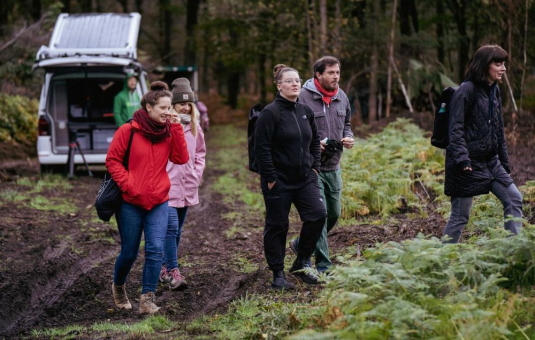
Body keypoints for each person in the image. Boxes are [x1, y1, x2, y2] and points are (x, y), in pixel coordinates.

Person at [106, 81, 189, 314]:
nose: (168, 111)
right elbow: (112, 160)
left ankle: (147, 299)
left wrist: (176, 129)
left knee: (155, 250)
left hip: (159, 200)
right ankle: (119, 286)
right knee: (130, 252)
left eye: (169, 107)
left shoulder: (168, 131)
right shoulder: (128, 130)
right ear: (149, 107)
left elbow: (181, 159)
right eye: (163, 107)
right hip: (130, 203)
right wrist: (128, 184)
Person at [254, 65, 327, 290]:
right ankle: (277, 274)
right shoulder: (270, 113)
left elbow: (315, 142)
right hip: (279, 180)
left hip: (305, 177)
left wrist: (315, 168)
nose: (295, 84)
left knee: (318, 215)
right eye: (289, 81)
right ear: (279, 86)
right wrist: (271, 177)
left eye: (297, 80)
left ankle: (301, 261)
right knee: (278, 225)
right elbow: (262, 148)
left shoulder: (305, 111)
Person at [443, 44, 523, 243]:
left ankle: (514, 253)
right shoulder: (466, 91)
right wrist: (462, 159)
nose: (503, 68)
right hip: (466, 165)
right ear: (484, 65)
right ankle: (442, 260)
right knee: (460, 216)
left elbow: (498, 130)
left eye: (504, 64)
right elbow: (456, 128)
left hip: (491, 162)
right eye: (498, 64)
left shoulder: (494, 91)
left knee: (514, 199)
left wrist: (504, 162)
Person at [289, 56, 354, 274]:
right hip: (311, 166)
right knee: (322, 214)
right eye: (331, 73)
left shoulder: (342, 96)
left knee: (334, 213)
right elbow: (295, 129)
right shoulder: (302, 97)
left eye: (338, 72)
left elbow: (347, 124)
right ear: (318, 74)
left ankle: (301, 243)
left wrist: (348, 137)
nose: (336, 76)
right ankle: (324, 266)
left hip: (334, 165)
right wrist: (315, 145)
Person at [159, 78, 206, 290]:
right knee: (170, 228)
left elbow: (200, 154)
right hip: (167, 187)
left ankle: (162, 268)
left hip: (187, 186)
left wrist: (196, 175)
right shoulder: (164, 127)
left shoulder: (195, 127)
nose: (185, 107)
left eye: (189, 104)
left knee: (176, 231)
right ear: (172, 105)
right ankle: (173, 271)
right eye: (181, 104)